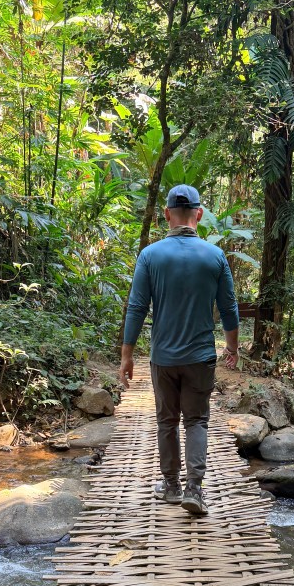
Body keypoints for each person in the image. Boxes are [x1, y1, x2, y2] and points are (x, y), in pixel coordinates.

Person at [119, 184, 239, 516]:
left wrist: (127, 355)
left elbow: (136, 307)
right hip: (201, 358)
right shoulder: (215, 256)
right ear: (199, 215)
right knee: (197, 421)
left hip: (164, 358)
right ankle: (195, 491)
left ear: (167, 215)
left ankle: (171, 487)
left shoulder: (150, 255)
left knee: (167, 422)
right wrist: (232, 347)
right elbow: (229, 309)